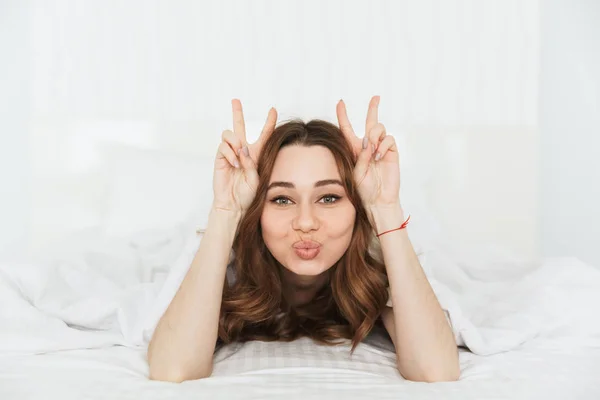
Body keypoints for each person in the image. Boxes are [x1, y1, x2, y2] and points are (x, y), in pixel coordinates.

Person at [147, 96, 460, 383]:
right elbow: (174, 370)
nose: (306, 222)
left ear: (356, 207)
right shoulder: (226, 256)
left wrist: (384, 208)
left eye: (328, 198)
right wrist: (225, 211)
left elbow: (435, 371)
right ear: (257, 207)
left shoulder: (377, 258)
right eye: (282, 199)